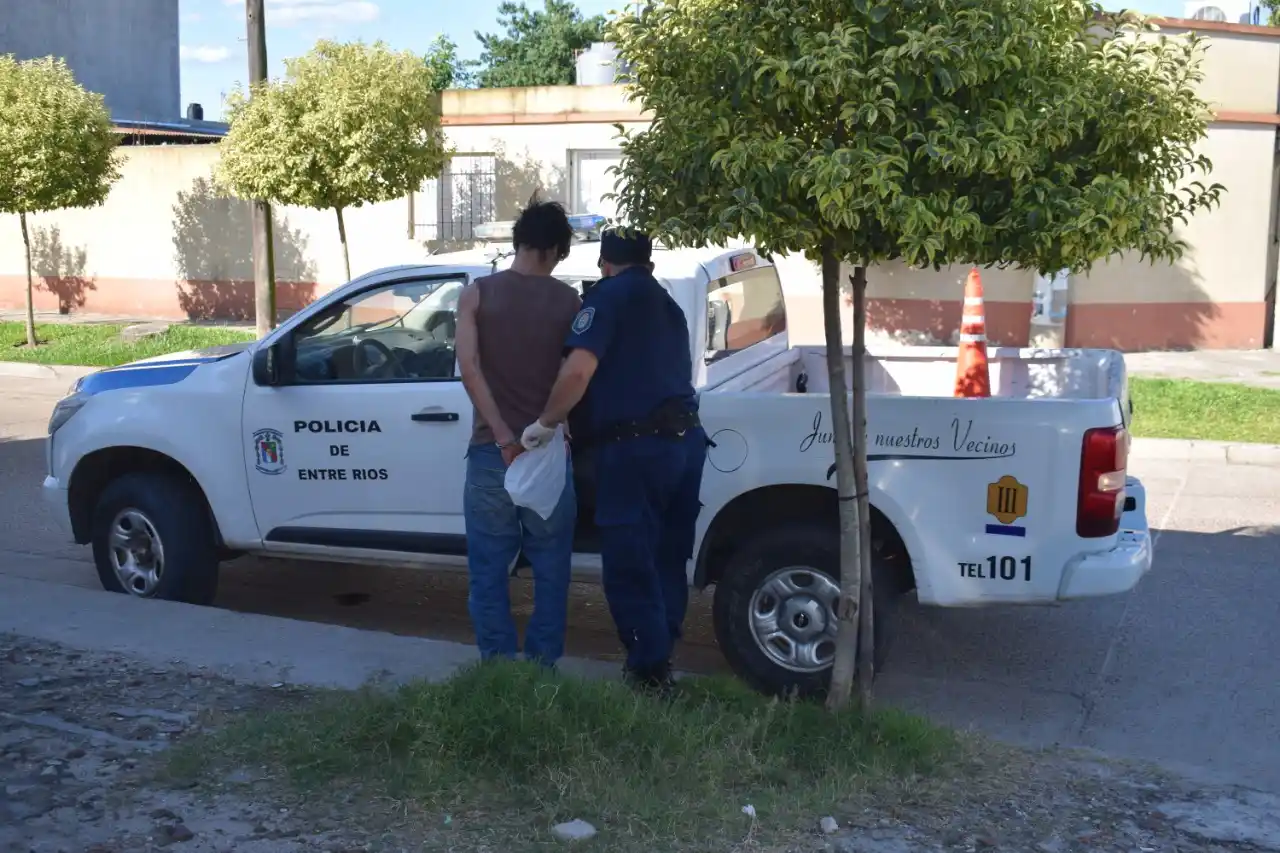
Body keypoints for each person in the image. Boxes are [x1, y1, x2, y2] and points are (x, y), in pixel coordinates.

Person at [521, 227, 707, 693]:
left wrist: (546, 422)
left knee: (628, 560)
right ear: (650, 263)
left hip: (634, 450)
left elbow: (579, 369)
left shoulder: (608, 298)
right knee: (667, 557)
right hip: (684, 445)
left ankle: (647, 672)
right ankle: (660, 657)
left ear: (605, 263)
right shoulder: (668, 305)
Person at [455, 200, 582, 668]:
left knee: (488, 570)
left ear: (519, 241)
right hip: (547, 454)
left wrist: (505, 437)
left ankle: (498, 670)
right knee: (551, 569)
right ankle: (542, 668)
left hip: (492, 453)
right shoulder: (571, 303)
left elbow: (469, 369)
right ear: (554, 250)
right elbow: (575, 376)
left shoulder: (478, 294)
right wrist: (548, 429)